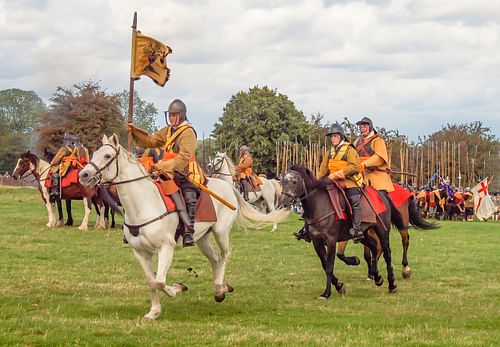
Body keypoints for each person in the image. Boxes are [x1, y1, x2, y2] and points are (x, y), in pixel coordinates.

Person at [127, 99, 204, 247]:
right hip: (168, 171)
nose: (170, 118)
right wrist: (134, 131)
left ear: (181, 116)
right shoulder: (167, 130)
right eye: (169, 115)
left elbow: (184, 157)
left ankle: (189, 231)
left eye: (173, 115)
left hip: (186, 172)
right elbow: (150, 141)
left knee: (189, 195)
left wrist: (163, 165)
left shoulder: (188, 132)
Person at [294, 123, 364, 243]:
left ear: (341, 136)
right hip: (332, 181)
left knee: (354, 199)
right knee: (314, 198)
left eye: (335, 136)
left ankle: (357, 229)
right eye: (331, 136)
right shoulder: (330, 152)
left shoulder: (350, 149)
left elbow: (354, 167)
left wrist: (336, 174)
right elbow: (323, 169)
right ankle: (306, 228)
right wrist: (316, 182)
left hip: (349, 180)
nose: (333, 138)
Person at [354, 117, 394, 195]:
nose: (362, 129)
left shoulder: (378, 140)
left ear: (370, 127)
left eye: (365, 126)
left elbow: (379, 158)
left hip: (376, 175)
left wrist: (364, 164)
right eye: (361, 127)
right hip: (360, 175)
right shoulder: (356, 142)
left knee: (383, 198)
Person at [48, 133, 89, 201]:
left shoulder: (64, 149)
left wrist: (52, 163)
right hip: (74, 165)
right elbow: (78, 157)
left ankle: (55, 190)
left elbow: (57, 158)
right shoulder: (75, 148)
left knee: (55, 173)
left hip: (66, 165)